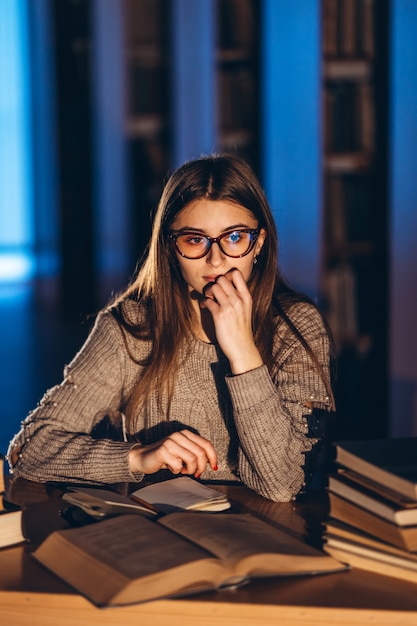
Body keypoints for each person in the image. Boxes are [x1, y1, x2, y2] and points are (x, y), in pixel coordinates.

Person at [7, 153, 335, 502]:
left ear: (259, 243)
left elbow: (283, 484)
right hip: (159, 535)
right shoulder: (132, 327)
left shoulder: (297, 326)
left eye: (235, 237)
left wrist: (243, 353)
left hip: (264, 537)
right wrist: (137, 457)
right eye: (195, 240)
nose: (216, 259)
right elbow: (28, 448)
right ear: (170, 246)